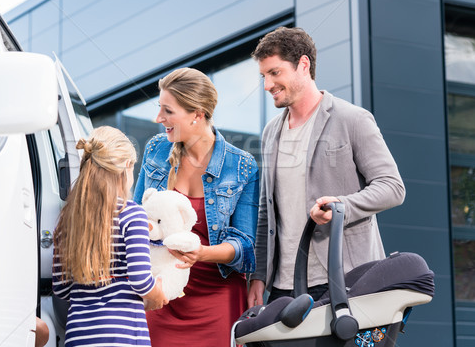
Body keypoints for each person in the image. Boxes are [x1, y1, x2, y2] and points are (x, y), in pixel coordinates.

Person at [247, 26, 406, 307]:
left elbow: (392, 187)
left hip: (343, 277)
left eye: (274, 73)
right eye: (264, 76)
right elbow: (266, 211)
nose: (267, 85)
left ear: (303, 65)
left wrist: (341, 206)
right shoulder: (270, 132)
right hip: (284, 286)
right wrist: (259, 276)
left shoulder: (352, 119)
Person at [133, 67, 259, 347]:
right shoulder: (157, 149)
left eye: (168, 111)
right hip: (160, 291)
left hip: (217, 296)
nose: (159, 118)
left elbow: (246, 248)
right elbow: (135, 218)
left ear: (197, 114)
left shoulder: (241, 166)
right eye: (159, 109)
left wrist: (201, 253)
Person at [52, 126, 168, 347]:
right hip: (123, 336)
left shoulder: (67, 219)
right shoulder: (132, 213)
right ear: (126, 166)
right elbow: (141, 280)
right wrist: (157, 292)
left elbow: (62, 289)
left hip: (79, 336)